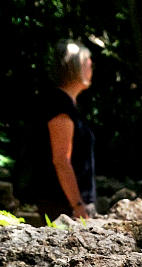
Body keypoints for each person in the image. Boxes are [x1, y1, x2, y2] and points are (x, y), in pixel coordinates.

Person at [31, 40, 96, 221]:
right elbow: (61, 159)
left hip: (71, 205)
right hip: (63, 207)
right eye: (88, 63)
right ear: (76, 67)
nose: (91, 68)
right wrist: (78, 205)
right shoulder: (59, 105)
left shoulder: (68, 105)